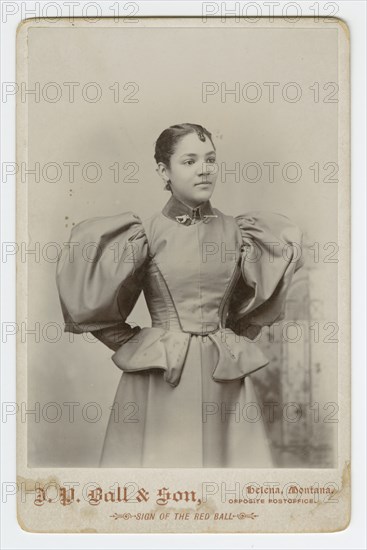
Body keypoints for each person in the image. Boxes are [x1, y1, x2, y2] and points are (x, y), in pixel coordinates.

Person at [56, 123, 304, 468]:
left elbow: (255, 306)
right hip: (160, 379)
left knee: (224, 483)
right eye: (189, 161)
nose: (204, 169)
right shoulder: (143, 234)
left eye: (210, 160)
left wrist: (232, 341)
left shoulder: (241, 233)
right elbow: (93, 311)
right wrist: (138, 346)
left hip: (223, 378)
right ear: (164, 170)